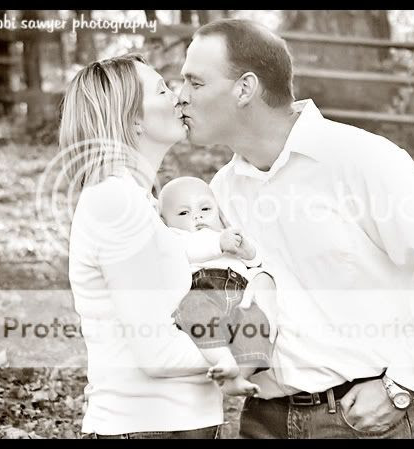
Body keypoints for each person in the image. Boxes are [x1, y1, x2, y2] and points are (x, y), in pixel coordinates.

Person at [176, 19, 414, 439]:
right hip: (263, 420)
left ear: (245, 88)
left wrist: (400, 385)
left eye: (195, 82)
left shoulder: (360, 159)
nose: (180, 96)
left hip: (359, 420)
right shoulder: (220, 192)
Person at [61, 53, 269, 439]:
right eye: (161, 90)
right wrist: (250, 348)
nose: (179, 97)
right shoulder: (115, 202)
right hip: (148, 425)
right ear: (132, 120)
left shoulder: (142, 202)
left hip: (174, 422)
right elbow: (156, 353)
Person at [158, 176, 276, 397]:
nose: (197, 216)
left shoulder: (227, 232)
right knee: (195, 308)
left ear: (218, 211)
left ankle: (240, 375)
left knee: (256, 319)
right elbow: (188, 249)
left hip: (239, 294)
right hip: (203, 292)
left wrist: (248, 252)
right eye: (183, 213)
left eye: (205, 208)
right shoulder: (175, 238)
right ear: (165, 222)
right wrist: (219, 243)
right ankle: (223, 359)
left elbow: (255, 263)